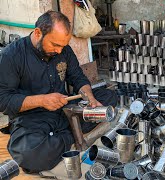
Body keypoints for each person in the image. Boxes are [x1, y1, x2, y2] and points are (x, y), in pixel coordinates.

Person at [0, 11, 117, 173]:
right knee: (30, 154)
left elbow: (78, 78)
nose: (60, 51)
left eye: (63, 45)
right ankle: (73, 135)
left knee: (108, 97)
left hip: (65, 111)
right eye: (55, 45)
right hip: (32, 119)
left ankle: (60, 138)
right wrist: (42, 100)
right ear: (38, 33)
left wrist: (90, 99)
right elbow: (4, 101)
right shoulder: (11, 56)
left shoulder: (64, 50)